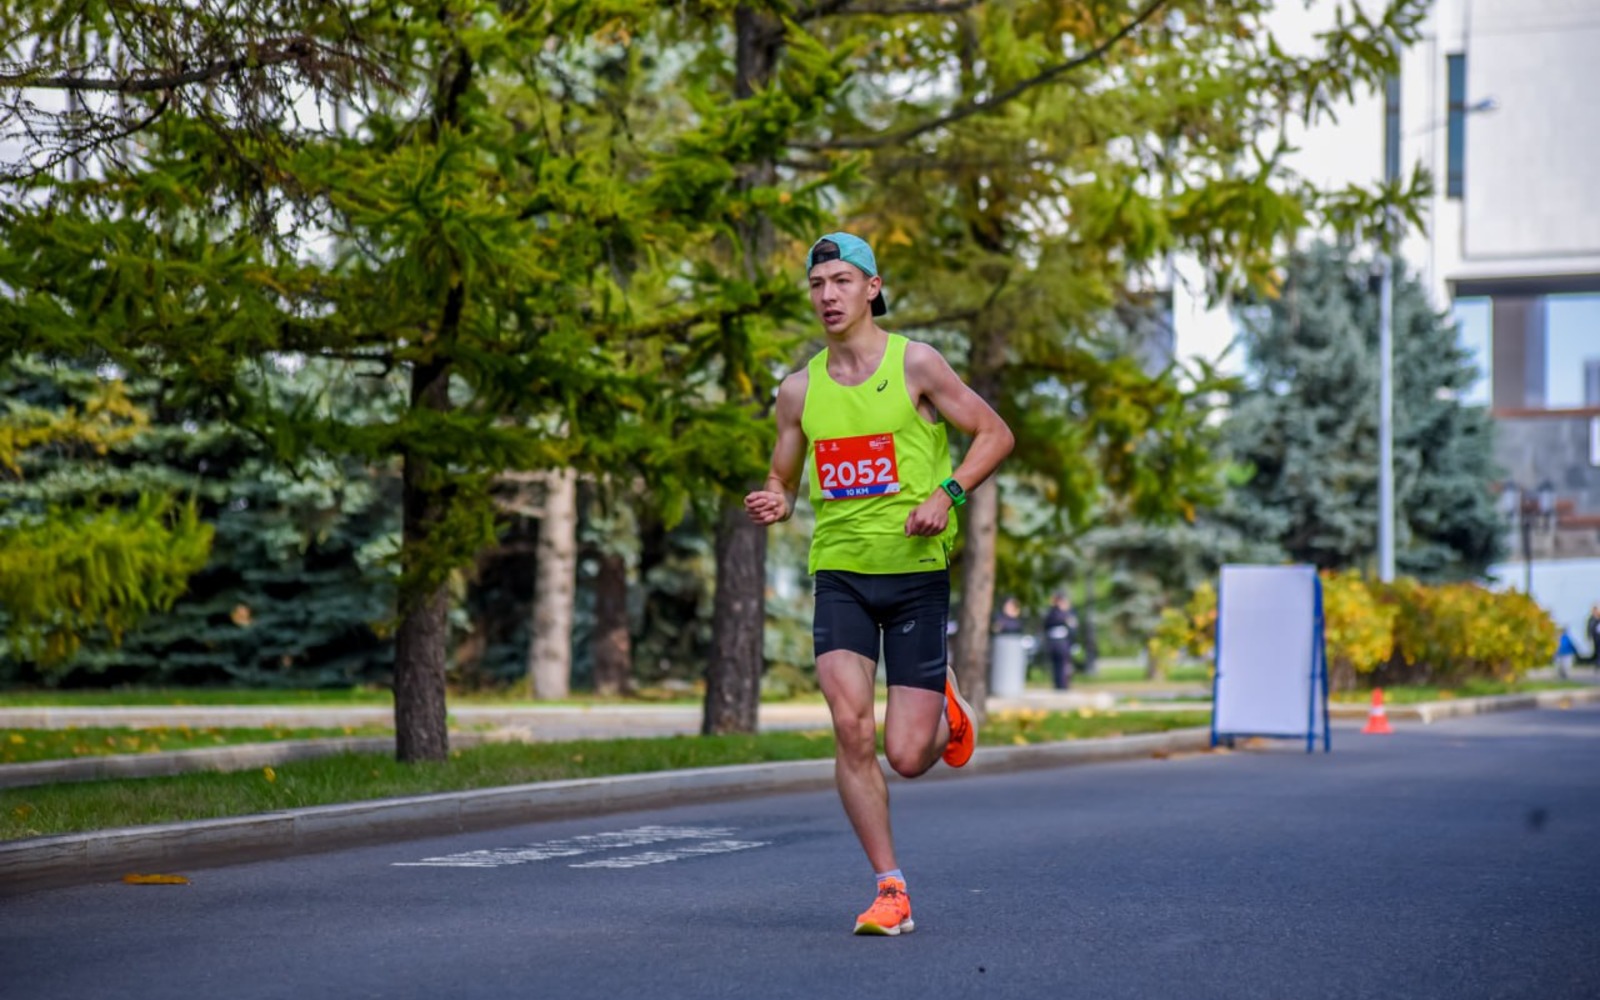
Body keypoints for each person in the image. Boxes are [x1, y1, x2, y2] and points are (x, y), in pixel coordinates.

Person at [744, 231, 1014, 937]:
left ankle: (946, 704)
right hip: (840, 575)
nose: (827, 295)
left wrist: (948, 494)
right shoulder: (799, 389)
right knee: (849, 727)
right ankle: (890, 886)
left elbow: (994, 434)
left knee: (907, 756)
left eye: (841, 280)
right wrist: (777, 496)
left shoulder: (916, 364)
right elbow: (784, 471)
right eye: (817, 284)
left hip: (917, 575)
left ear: (872, 287)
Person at [1042, 592, 1078, 690]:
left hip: (1064, 642)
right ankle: (1057, 684)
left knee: (1064, 664)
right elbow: (1046, 625)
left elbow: (1073, 628)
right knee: (1055, 665)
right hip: (1054, 642)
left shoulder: (1068, 613)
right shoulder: (1052, 613)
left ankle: (1064, 685)